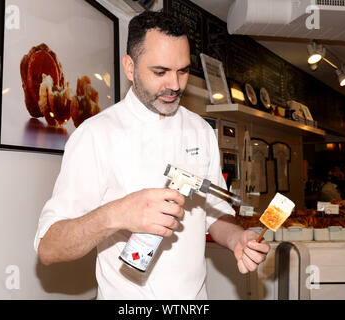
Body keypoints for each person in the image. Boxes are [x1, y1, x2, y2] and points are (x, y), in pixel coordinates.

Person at [34, 10, 270, 300]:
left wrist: (237, 239)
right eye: (160, 72)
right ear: (130, 67)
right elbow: (49, 248)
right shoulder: (96, 135)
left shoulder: (200, 130)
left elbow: (212, 213)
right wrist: (117, 214)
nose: (174, 85)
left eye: (182, 71)